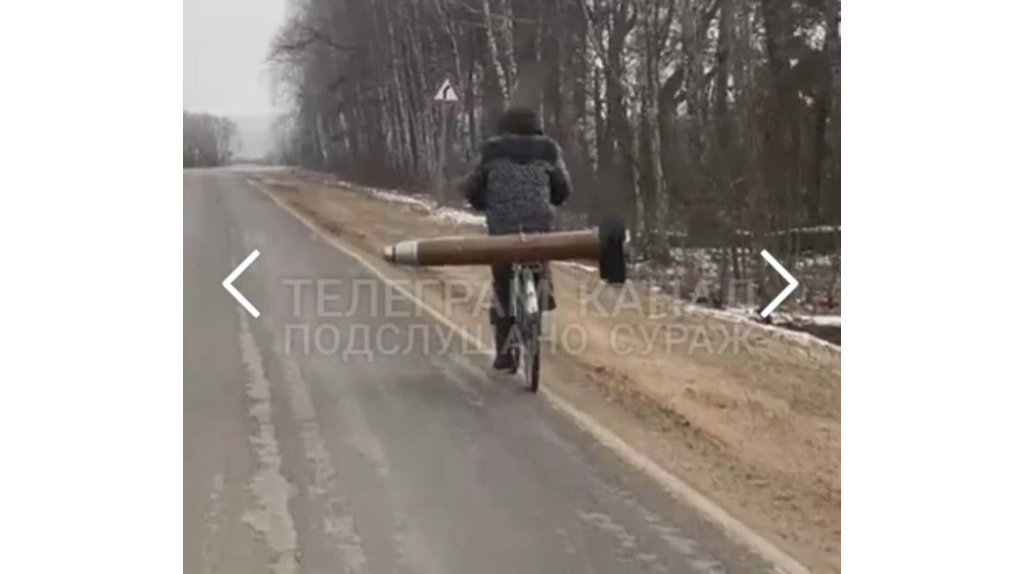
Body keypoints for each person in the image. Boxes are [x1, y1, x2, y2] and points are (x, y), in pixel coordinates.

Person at [461, 107, 573, 370]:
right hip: (538, 225)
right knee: (539, 262)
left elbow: (473, 186)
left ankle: (504, 351)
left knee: (502, 282)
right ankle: (541, 301)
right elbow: (564, 189)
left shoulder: (491, 150)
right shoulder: (549, 149)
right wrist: (552, 198)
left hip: (502, 229)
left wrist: (481, 202)